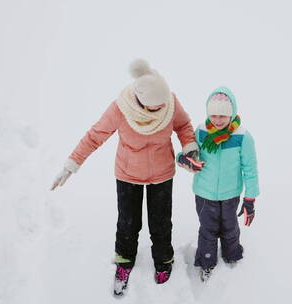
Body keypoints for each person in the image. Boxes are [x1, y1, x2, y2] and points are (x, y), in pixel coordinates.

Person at [50, 59, 200, 296]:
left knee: (161, 222)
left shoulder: (169, 101)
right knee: (128, 222)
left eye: (163, 104)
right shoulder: (121, 108)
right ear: (141, 101)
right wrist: (72, 165)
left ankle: (163, 261)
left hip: (162, 173)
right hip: (128, 174)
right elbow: (94, 136)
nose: (161, 108)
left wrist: (190, 148)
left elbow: (183, 125)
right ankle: (124, 260)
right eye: (155, 107)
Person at [177, 86, 260, 282]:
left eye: (223, 116)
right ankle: (207, 262)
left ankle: (232, 256)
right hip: (204, 194)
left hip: (230, 194)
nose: (218, 120)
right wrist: (185, 160)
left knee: (230, 226)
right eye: (213, 115)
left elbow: (250, 168)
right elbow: (186, 154)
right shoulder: (201, 132)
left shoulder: (242, 136)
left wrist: (250, 197)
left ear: (231, 114)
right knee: (208, 228)